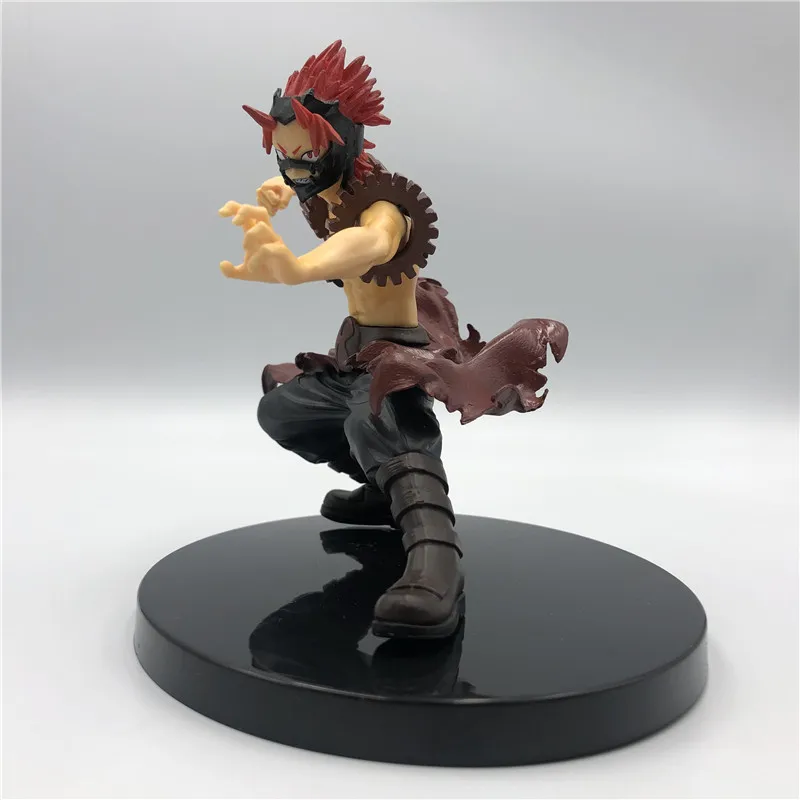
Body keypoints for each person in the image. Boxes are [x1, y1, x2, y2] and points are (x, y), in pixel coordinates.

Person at [219, 40, 568, 639]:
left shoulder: (385, 203)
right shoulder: (326, 195)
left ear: (341, 144)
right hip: (351, 352)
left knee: (387, 427)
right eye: (285, 156)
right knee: (285, 410)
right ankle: (384, 494)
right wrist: (273, 199)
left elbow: (371, 245)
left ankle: (436, 570)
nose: (295, 168)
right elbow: (303, 198)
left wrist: (298, 268)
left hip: (398, 352)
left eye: (306, 155)